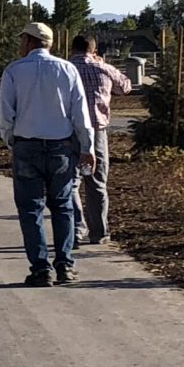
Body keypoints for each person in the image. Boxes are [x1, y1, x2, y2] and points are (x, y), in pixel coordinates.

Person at [0, 22, 94, 285]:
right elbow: (80, 114)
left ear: (29, 41)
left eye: (22, 39)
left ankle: (40, 268)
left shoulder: (15, 70)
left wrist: (11, 140)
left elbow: (6, 112)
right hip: (61, 146)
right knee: (62, 206)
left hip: (27, 145)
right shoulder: (67, 69)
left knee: (31, 209)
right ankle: (65, 264)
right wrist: (87, 147)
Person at [68, 34, 132, 246]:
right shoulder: (103, 68)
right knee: (96, 183)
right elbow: (125, 87)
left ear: (72, 49)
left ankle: (77, 228)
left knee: (70, 182)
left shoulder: (65, 69)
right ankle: (99, 232)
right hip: (97, 131)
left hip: (69, 130)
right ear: (93, 50)